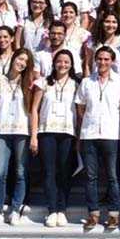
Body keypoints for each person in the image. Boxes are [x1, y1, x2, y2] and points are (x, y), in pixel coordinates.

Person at [0, 48, 40, 226]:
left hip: (22, 132)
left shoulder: (30, 83)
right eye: (19, 58)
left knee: (20, 172)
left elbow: (33, 112)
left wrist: (34, 136)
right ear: (13, 58)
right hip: (1, 131)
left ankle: (15, 209)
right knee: (0, 172)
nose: (21, 63)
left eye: (25, 61)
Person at [75, 45, 120, 230]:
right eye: (99, 59)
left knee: (112, 176)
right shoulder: (87, 82)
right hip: (90, 134)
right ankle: (93, 213)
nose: (102, 62)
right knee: (90, 176)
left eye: (106, 59)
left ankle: (113, 214)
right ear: (95, 61)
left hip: (111, 134)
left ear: (112, 61)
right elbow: (80, 107)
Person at [36, 49, 79, 227]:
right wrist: (33, 135)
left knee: (65, 172)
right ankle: (52, 209)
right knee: (49, 171)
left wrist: (80, 137)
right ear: (54, 63)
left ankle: (62, 209)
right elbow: (34, 109)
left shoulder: (77, 84)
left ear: (71, 64)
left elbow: (81, 112)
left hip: (68, 132)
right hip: (46, 131)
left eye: (66, 62)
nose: (62, 65)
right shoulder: (44, 83)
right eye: (59, 61)